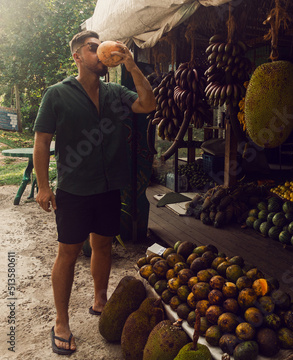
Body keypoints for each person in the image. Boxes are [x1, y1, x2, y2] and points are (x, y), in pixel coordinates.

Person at [33, 30, 155, 355]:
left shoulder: (115, 91)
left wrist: (130, 63)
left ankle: (100, 298)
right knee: (68, 253)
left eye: (102, 46)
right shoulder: (56, 95)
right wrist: (44, 186)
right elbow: (42, 141)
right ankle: (61, 321)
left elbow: (148, 103)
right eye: (93, 48)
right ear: (77, 56)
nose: (101, 52)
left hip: (108, 187)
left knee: (102, 245)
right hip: (73, 189)